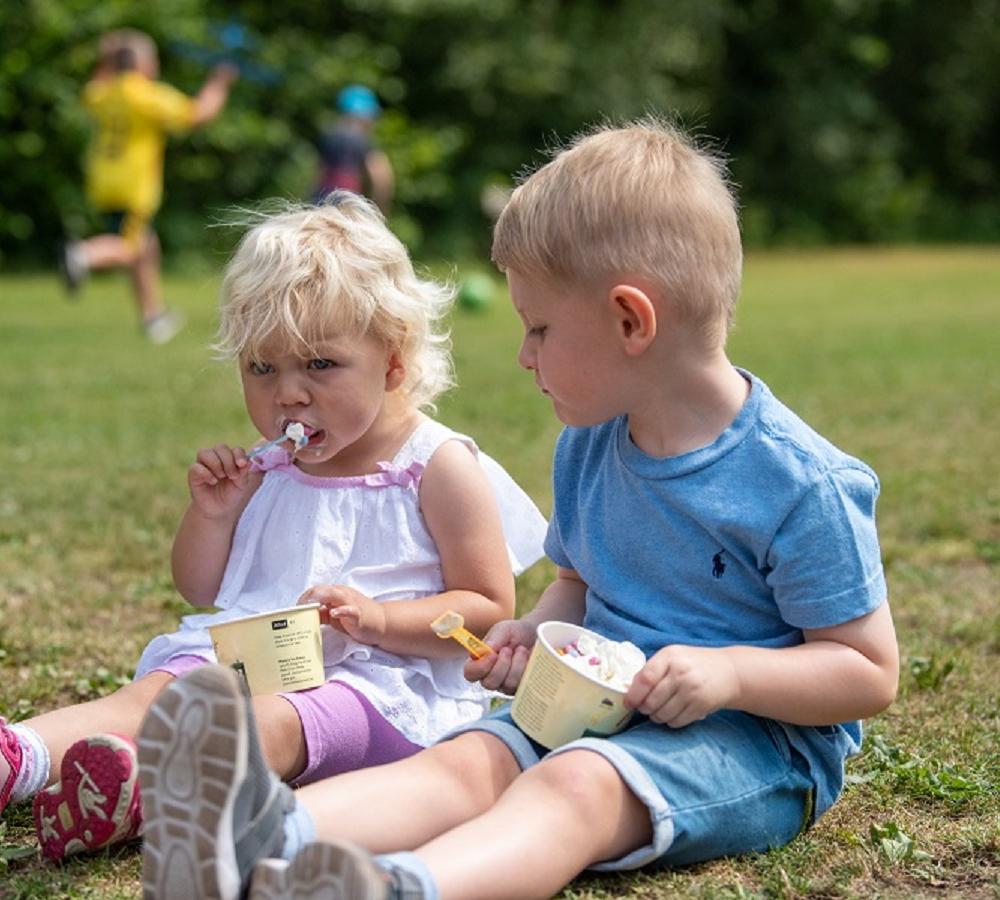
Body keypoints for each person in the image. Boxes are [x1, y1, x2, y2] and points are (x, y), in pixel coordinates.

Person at [133, 116, 901, 900]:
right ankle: (264, 836)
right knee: (467, 760)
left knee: (578, 785)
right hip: (592, 707)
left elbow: (868, 671)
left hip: (751, 741)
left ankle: (402, 888)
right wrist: (535, 631)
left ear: (631, 321)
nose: (524, 355)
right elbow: (576, 578)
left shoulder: (799, 483)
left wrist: (729, 675)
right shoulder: (591, 446)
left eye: (539, 328)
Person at [0, 193, 547, 866]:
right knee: (166, 692)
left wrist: (381, 621)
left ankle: (153, 792)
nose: (287, 393)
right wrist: (214, 515)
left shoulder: (434, 467)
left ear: (394, 362)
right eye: (262, 368)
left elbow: (487, 609)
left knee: (277, 723)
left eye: (320, 365)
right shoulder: (271, 469)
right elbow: (200, 588)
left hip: (375, 686)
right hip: (257, 654)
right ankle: (22, 756)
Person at [61, 29, 238, 343]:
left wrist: (107, 54)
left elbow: (93, 85)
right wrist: (219, 82)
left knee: (146, 247)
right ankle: (82, 255)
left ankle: (153, 317)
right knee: (128, 247)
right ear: (141, 63)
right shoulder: (147, 95)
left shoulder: (104, 92)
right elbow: (198, 114)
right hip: (134, 185)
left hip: (104, 180)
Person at [311, 84, 394, 215]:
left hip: (321, 202)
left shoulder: (330, 137)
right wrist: (379, 212)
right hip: (348, 205)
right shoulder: (364, 141)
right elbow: (381, 178)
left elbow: (319, 174)